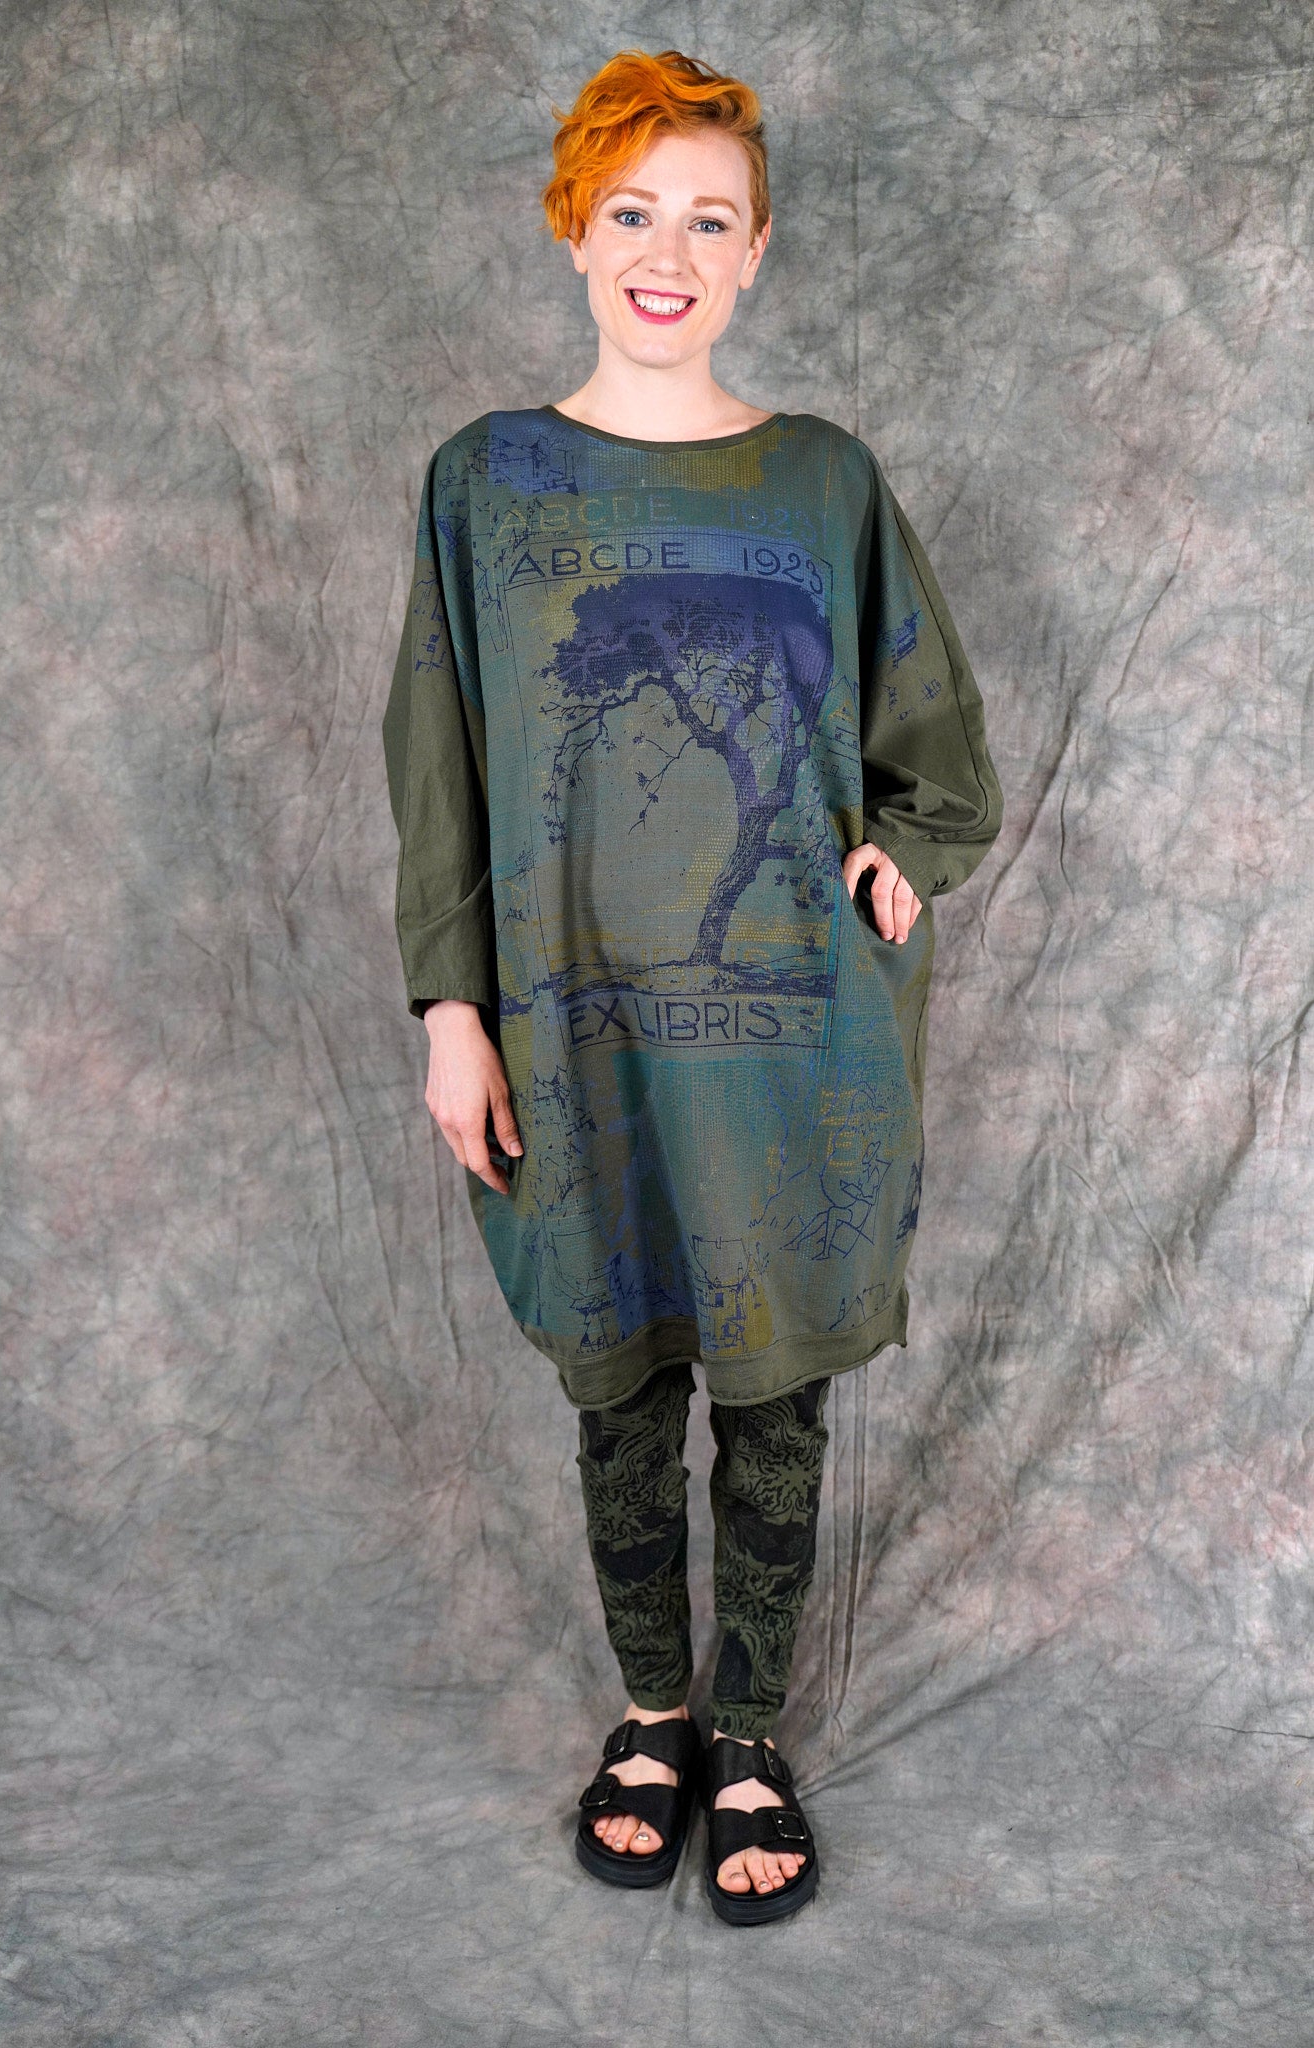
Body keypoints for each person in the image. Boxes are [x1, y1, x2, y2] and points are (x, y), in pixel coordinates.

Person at [381, 47, 1003, 1926]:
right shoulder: (483, 482)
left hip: (789, 1030)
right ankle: (651, 1717)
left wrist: (909, 851)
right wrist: (451, 1006)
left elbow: (928, 740)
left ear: (756, 252)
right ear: (575, 230)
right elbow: (439, 757)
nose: (668, 252)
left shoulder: (823, 480)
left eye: (708, 219)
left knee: (776, 1390)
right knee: (620, 1385)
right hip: (570, 1031)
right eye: (632, 210)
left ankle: (749, 1736)